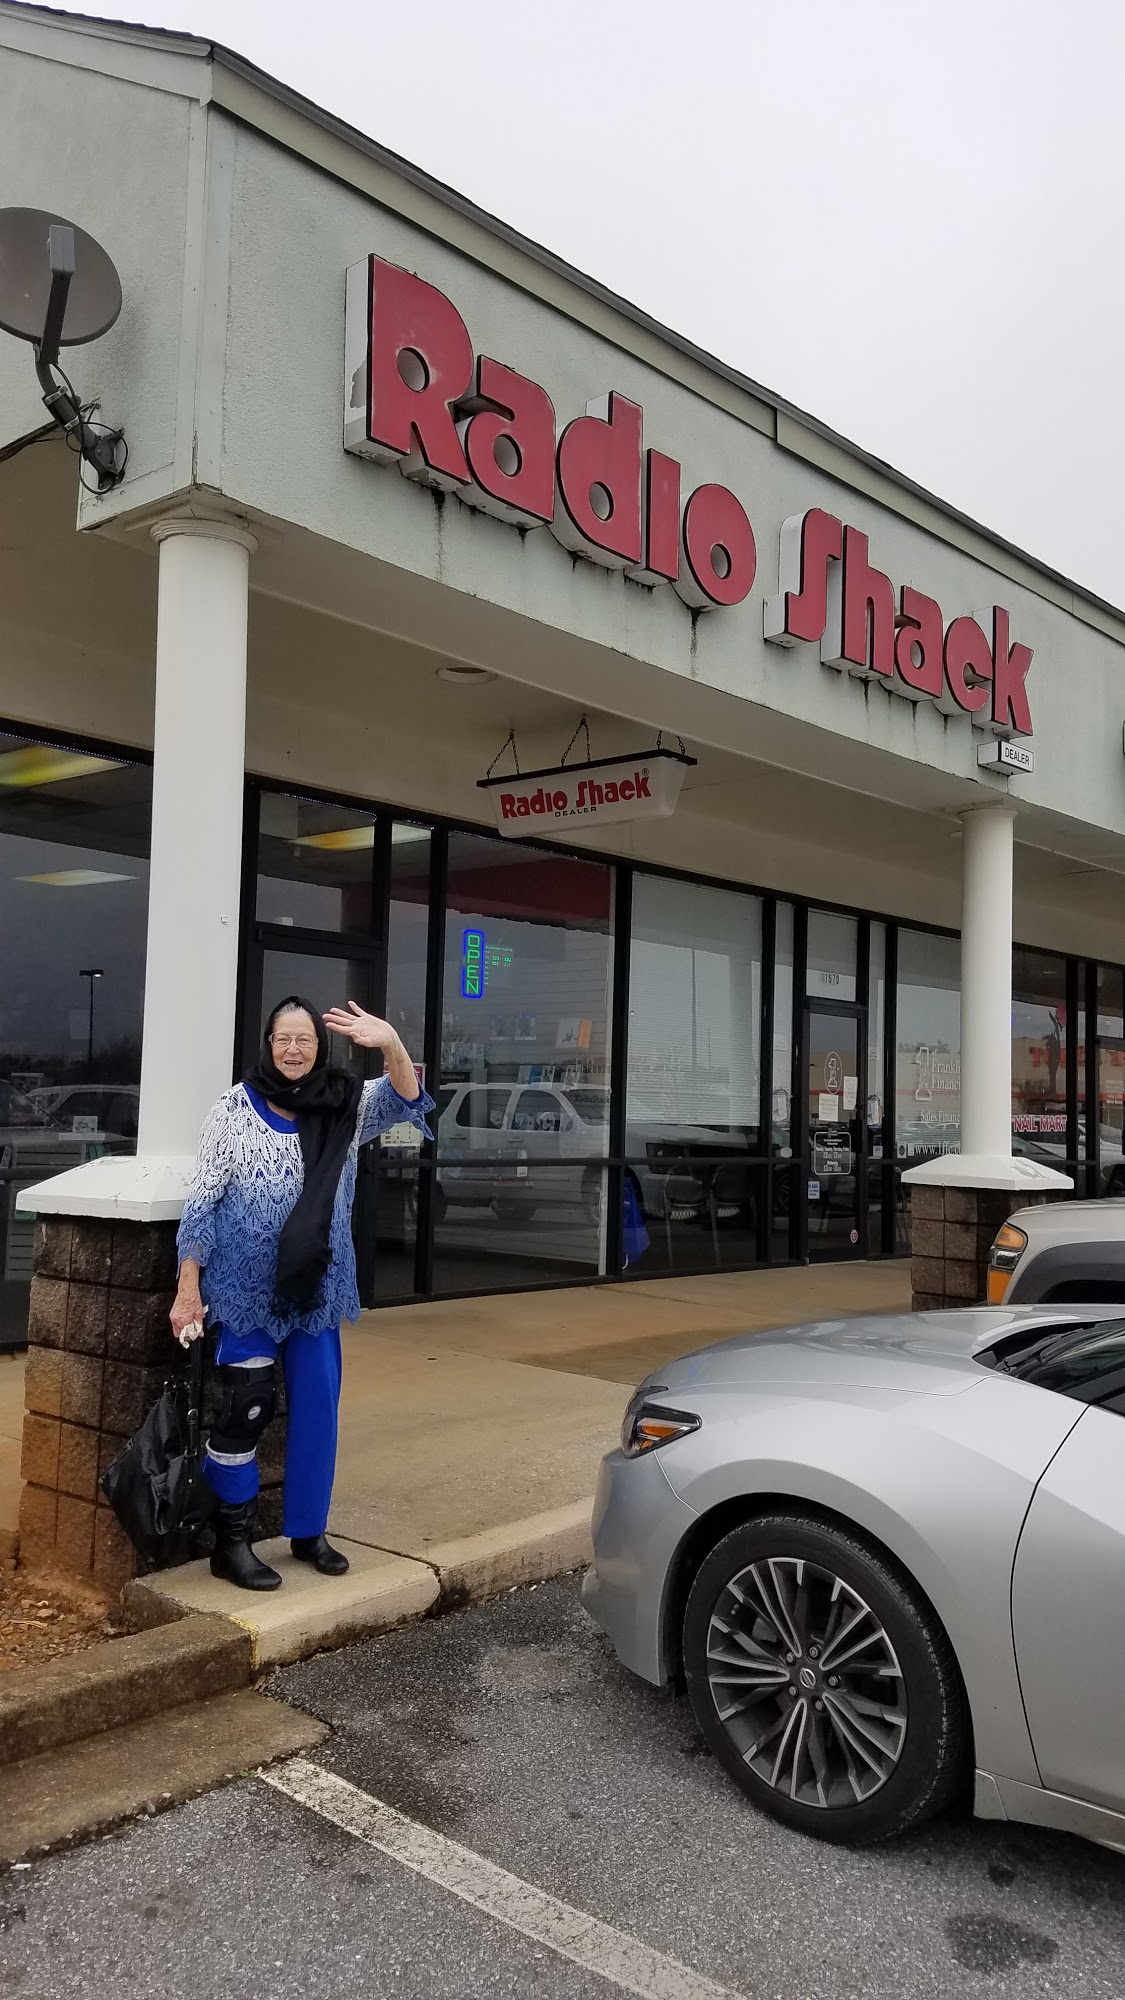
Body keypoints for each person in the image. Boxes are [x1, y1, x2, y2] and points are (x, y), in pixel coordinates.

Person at [169, 995, 433, 1592]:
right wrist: (187, 1287)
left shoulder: (344, 1104)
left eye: (305, 1039)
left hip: (317, 1292)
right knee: (246, 1410)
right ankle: (231, 1543)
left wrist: (391, 1043)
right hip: (244, 1293)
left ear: (320, 1046)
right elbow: (203, 1201)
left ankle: (309, 1533)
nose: (293, 1050)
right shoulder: (234, 1109)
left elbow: (407, 1098)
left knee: (317, 1410)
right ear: (268, 1044)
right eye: (283, 1039)